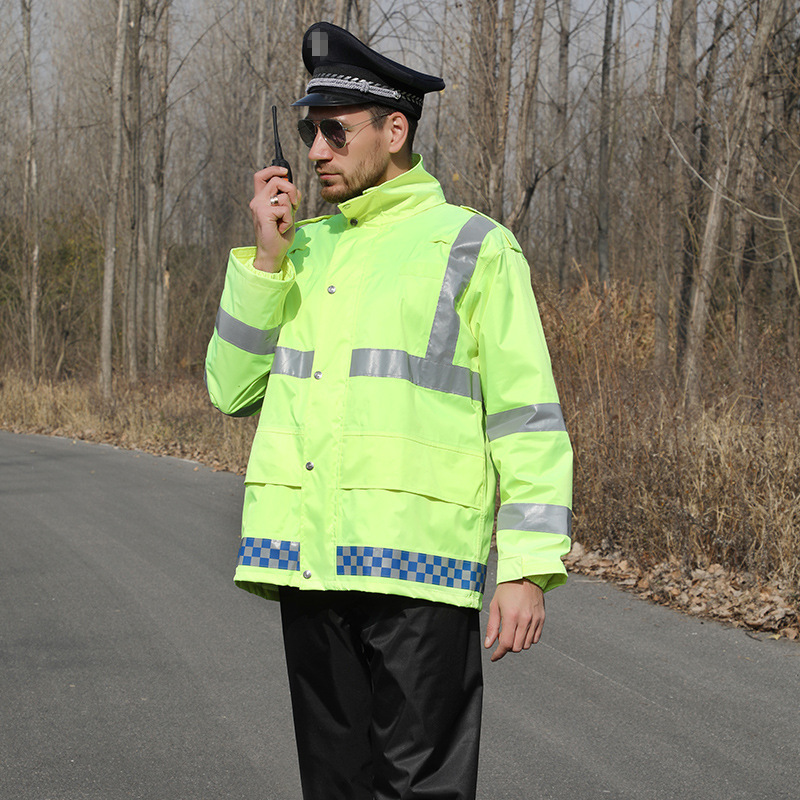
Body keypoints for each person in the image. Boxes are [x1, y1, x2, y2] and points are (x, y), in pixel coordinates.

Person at [205, 21, 573, 800]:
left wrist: (530, 568)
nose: (315, 153)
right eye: (311, 133)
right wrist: (267, 261)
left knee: (421, 788)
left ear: (394, 129)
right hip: (309, 566)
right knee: (334, 786)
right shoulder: (299, 248)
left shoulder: (474, 246)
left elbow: (526, 417)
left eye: (335, 133)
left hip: (420, 573)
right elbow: (230, 389)